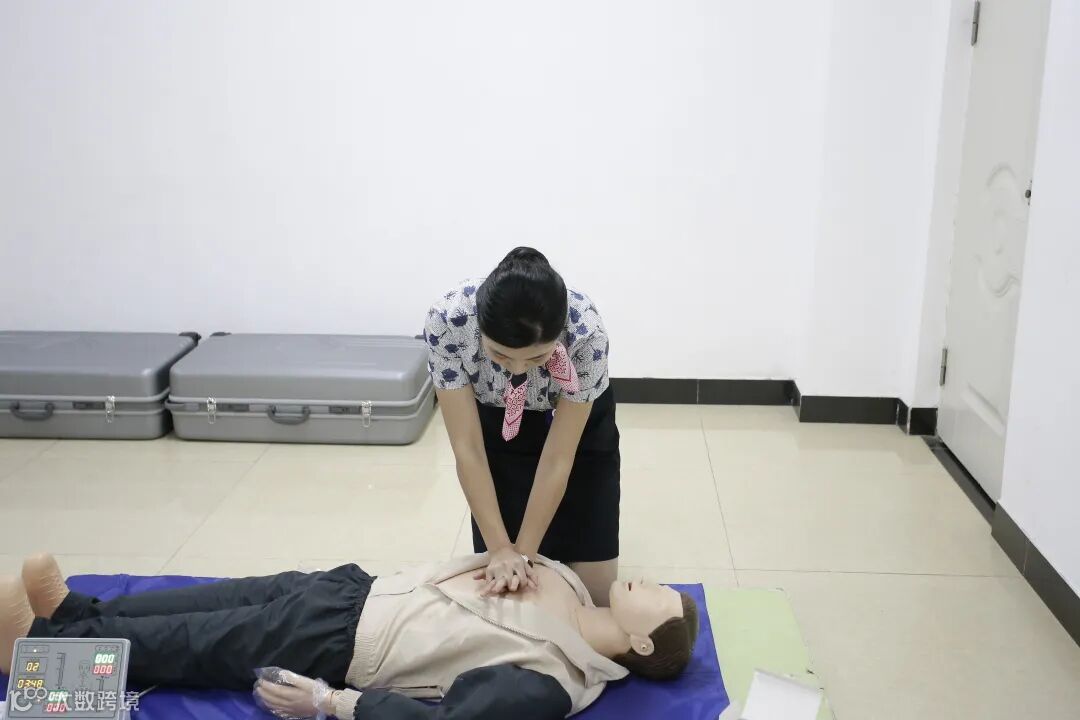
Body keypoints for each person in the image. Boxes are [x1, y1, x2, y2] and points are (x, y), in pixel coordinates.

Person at [0, 553, 699, 720]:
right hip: (356, 588)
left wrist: (331, 702)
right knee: (211, 600)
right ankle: (76, 614)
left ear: (641, 645)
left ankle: (34, 658)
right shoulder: (571, 583)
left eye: (658, 600)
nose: (650, 583)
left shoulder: (557, 681)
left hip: (341, 643)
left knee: (197, 643)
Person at [425, 248, 620, 605]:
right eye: (500, 355)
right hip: (497, 426)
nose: (517, 370)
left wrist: (525, 556)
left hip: (577, 431)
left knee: (595, 597)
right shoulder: (449, 322)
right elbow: (468, 448)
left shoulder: (586, 334)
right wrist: (502, 550)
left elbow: (558, 459)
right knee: (502, 591)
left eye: (536, 357)